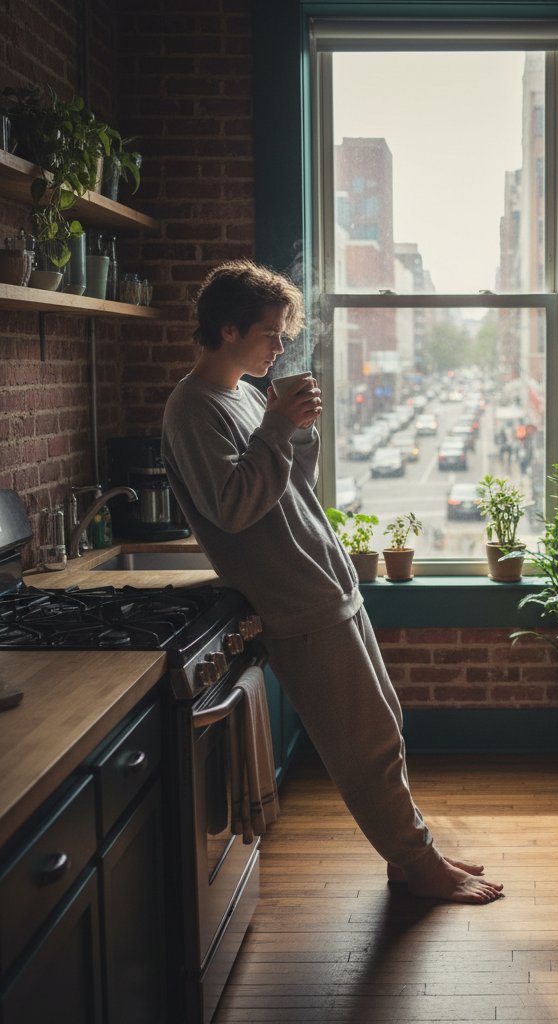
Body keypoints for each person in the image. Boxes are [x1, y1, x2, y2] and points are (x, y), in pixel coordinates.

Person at [161, 259, 503, 904]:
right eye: (271, 332)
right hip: (296, 604)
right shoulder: (192, 407)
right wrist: (277, 427)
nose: (281, 344)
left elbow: (288, 489)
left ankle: (411, 854)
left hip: (327, 586)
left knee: (384, 725)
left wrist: (301, 432)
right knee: (363, 746)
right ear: (228, 329)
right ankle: (421, 869)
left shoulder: (243, 393)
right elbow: (232, 506)